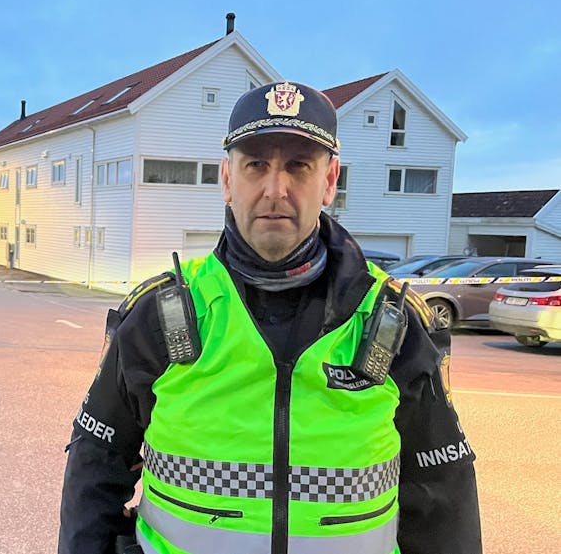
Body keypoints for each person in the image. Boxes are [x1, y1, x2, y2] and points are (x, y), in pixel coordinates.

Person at [58, 81, 482, 554]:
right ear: (227, 179)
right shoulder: (161, 315)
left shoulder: (392, 322)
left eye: (298, 166)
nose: (275, 190)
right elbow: (95, 470)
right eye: (256, 165)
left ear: (329, 180)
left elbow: (443, 495)